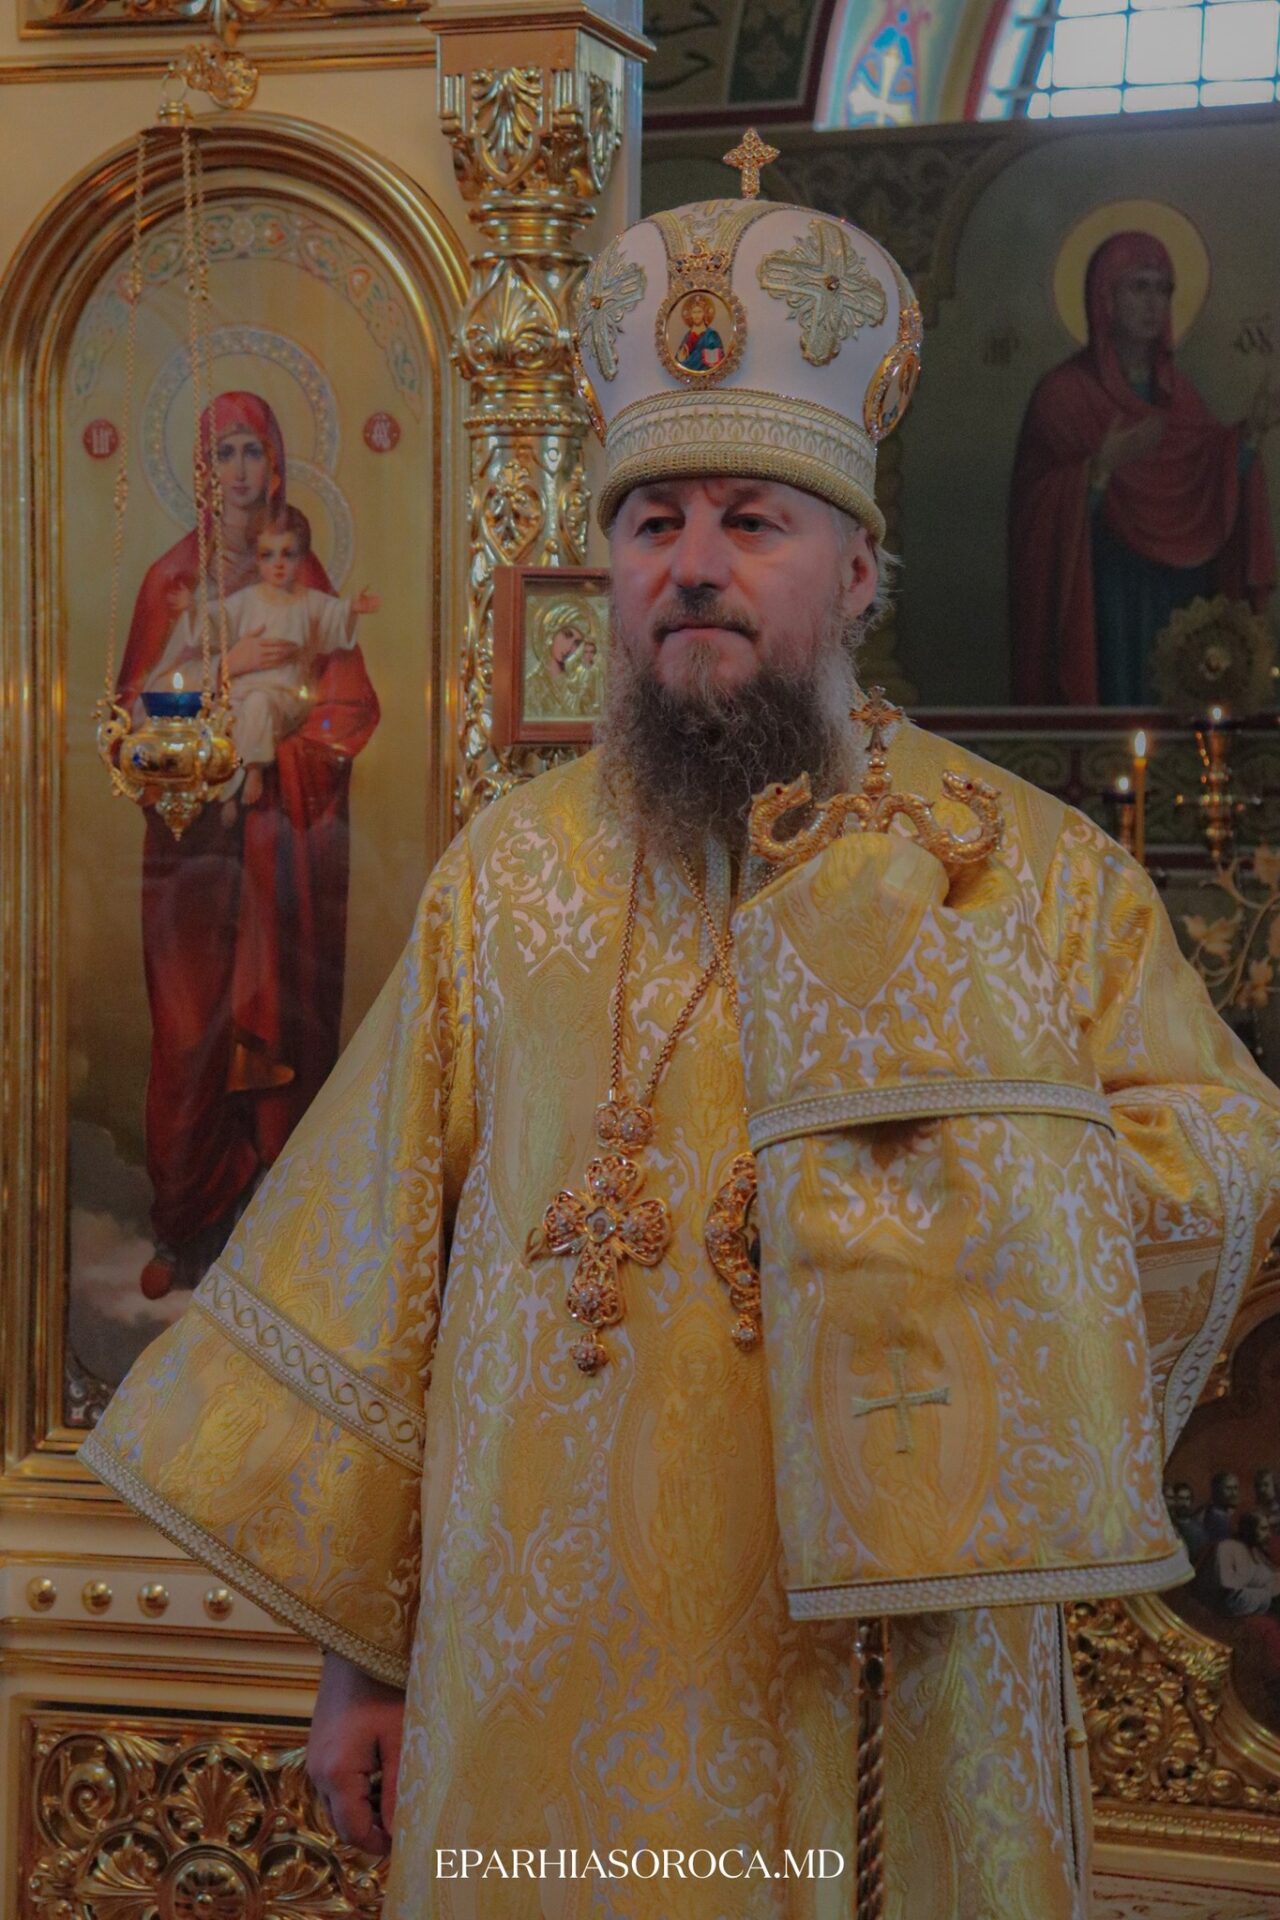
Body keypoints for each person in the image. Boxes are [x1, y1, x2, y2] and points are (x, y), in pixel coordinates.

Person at [85, 187, 1280, 1918]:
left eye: (750, 520)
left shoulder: (1020, 873)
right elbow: (373, 1280)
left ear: (857, 571)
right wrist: (363, 1660)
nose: (693, 563)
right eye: (653, 522)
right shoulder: (505, 882)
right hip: (528, 1678)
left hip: (874, 1670)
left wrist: (943, 1222)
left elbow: (1227, 1166)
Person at [115, 392, 380, 1298]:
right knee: (192, 1029)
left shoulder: (304, 578)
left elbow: (351, 707)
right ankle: (186, 1225)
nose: (237, 470)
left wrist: (292, 752)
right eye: (223, 452)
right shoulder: (170, 581)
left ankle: (276, 1236)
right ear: (201, 467)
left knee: (281, 1022)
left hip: (282, 847)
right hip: (190, 848)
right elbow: (131, 715)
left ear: (275, 466)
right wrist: (224, 674)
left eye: (251, 452)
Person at [1010, 229, 1277, 706]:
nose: (1154, 303)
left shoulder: (1180, 396)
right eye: (1139, 287)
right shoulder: (1063, 395)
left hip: (1179, 593)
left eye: (1163, 289)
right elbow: (1036, 517)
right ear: (1105, 297)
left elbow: (1205, 478)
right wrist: (1097, 471)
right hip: (1108, 594)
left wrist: (1250, 434)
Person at [153, 506, 381, 823]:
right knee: (224, 728)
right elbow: (217, 622)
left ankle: (254, 772)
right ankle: (227, 796)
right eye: (267, 555)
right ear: (257, 560)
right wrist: (192, 610)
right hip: (239, 694)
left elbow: (334, 619)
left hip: (284, 699)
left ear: (302, 558)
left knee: (258, 706)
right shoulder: (247, 599)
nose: (278, 564)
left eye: (288, 554)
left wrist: (352, 608)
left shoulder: (310, 601)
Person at [675, 292, 726, 372]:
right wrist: (683, 354)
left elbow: (718, 360)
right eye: (694, 312)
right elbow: (679, 361)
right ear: (691, 315)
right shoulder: (688, 335)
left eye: (699, 312)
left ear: (704, 314)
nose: (696, 315)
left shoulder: (711, 335)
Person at [1200, 1469, 1243, 1545]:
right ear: (1217, 1491)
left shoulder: (1225, 1516)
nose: (1234, 1493)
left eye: (1235, 1488)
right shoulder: (1215, 1519)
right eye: (1228, 1488)